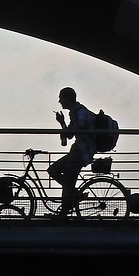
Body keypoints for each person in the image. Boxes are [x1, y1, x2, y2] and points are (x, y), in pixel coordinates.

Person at [48, 86, 96, 216]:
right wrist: (62, 122)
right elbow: (69, 135)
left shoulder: (81, 112)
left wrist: (67, 127)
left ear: (67, 99)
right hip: (76, 150)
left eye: (61, 98)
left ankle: (64, 213)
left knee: (68, 179)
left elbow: (75, 129)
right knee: (53, 170)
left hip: (82, 152)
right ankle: (74, 194)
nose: (59, 101)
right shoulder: (74, 113)